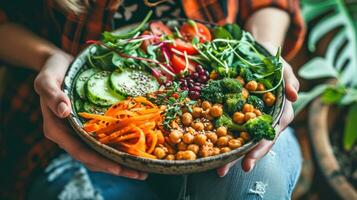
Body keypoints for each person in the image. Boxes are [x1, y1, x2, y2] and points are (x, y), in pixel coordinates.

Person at [0, 0, 305, 199]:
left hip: (228, 148)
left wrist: (262, 50)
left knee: (256, 186)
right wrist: (48, 57)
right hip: (64, 139)